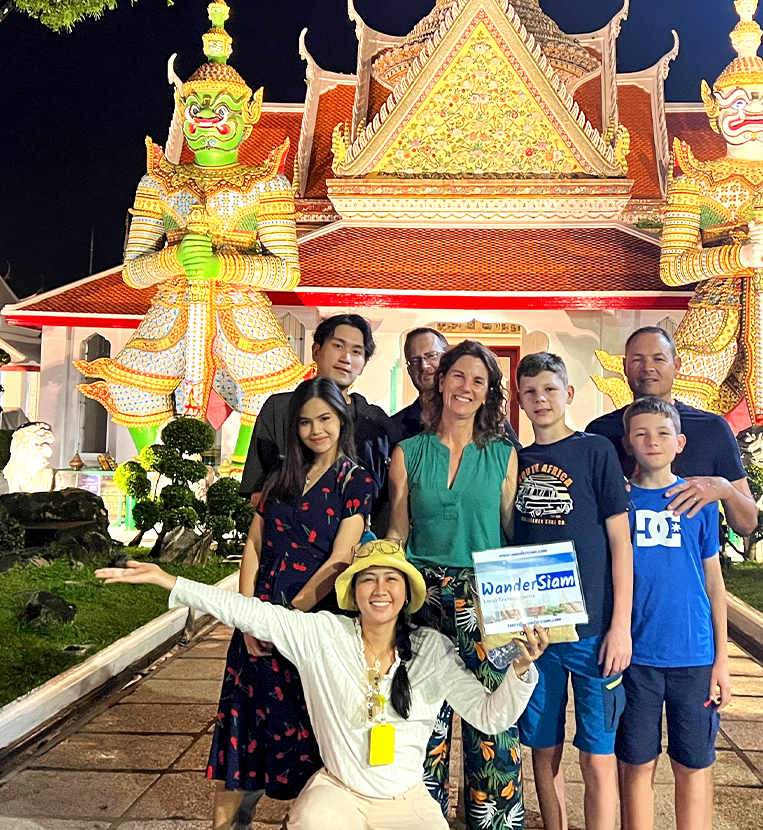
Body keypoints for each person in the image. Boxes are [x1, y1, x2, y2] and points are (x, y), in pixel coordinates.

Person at [97, 541, 550, 830]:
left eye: (391, 579)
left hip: (407, 799)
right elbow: (248, 613)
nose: (380, 589)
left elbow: (491, 716)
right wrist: (169, 580)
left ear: (406, 593)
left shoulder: (431, 649)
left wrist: (522, 671)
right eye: (368, 579)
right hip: (339, 795)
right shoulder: (324, 635)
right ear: (353, 593)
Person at [208, 377, 371, 829]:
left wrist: (286, 619)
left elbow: (342, 558)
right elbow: (254, 546)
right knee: (244, 738)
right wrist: (247, 617)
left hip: (311, 627)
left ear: (342, 420)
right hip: (258, 624)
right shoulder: (281, 477)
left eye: (325, 419)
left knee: (312, 737)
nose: (316, 430)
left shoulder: (354, 481)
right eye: (305, 422)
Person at [383, 339, 525, 827]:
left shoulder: (504, 456)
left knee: (493, 719)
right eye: (458, 376)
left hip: (486, 597)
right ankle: (421, 818)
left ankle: (495, 821)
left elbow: (510, 532)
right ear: (440, 381)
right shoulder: (407, 454)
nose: (466, 387)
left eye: (478, 381)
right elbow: (398, 529)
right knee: (422, 715)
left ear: (488, 394)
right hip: (422, 595)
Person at [510, 352, 633, 830]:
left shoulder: (595, 451)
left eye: (549, 390)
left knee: (598, 755)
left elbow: (620, 545)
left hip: (594, 632)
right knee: (543, 749)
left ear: (569, 394)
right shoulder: (515, 461)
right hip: (538, 634)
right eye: (530, 392)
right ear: (518, 400)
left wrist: (619, 627)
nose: (540, 400)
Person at [615, 397, 730, 830]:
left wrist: (722, 660)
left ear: (679, 442)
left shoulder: (699, 501)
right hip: (637, 658)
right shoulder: (618, 501)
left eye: (663, 433)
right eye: (641, 433)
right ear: (628, 442)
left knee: (693, 764)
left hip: (694, 657)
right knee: (637, 763)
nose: (652, 441)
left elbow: (714, 585)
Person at [584, 326, 757, 530]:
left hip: (694, 559)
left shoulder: (712, 429)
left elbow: (747, 525)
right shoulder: (599, 433)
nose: (648, 367)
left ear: (676, 365)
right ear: (624, 366)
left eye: (658, 359)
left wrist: (724, 489)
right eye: (638, 359)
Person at [241, 314, 396, 520]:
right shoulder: (279, 409)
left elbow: (387, 498)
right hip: (289, 540)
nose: (346, 358)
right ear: (316, 351)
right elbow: (258, 490)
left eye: (356, 351)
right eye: (338, 346)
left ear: (364, 364)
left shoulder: (375, 421)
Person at [388, 327, 448, 439]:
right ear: (409, 370)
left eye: (431, 356)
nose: (424, 366)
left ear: (447, 359)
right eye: (415, 361)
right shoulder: (394, 428)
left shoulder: (470, 419)